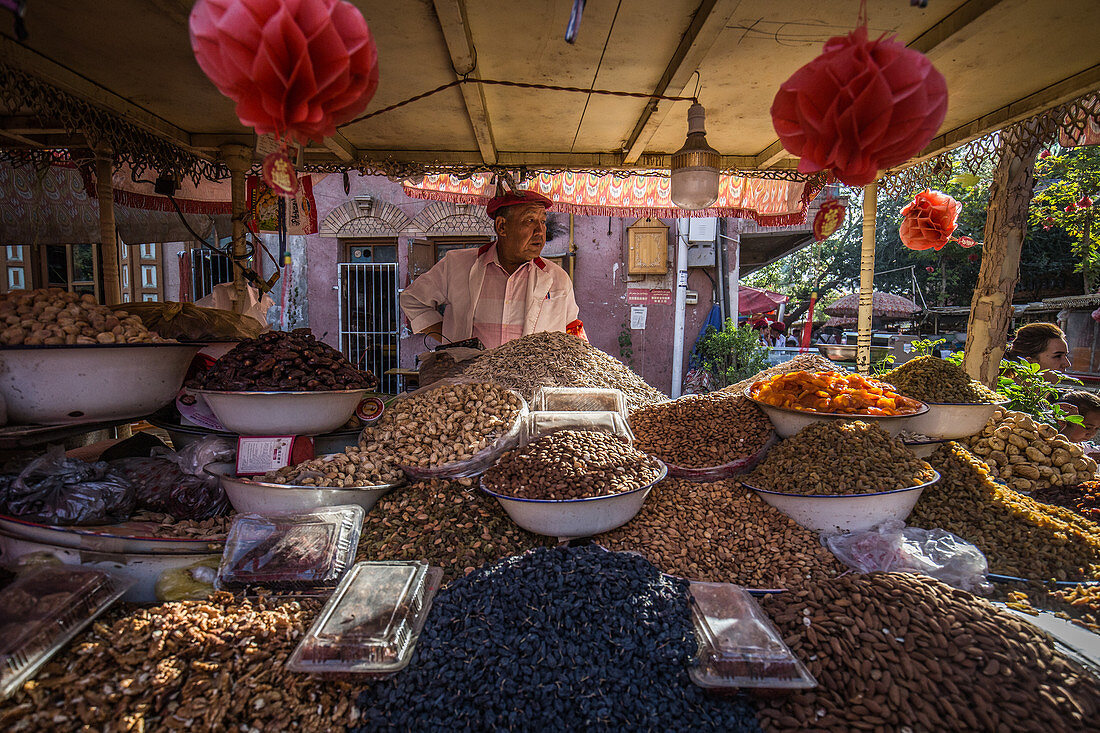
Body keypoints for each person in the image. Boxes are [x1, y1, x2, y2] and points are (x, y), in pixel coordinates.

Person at [399, 189, 582, 349]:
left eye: (542, 221)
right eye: (530, 220)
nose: (540, 231)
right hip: (472, 383)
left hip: (531, 385)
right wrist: (451, 340)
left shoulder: (558, 278)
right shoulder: (457, 265)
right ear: (502, 226)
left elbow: (572, 332)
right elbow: (412, 300)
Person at [1004, 322, 1072, 383]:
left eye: (1066, 355)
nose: (1067, 364)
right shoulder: (1002, 394)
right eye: (1058, 356)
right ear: (1028, 362)